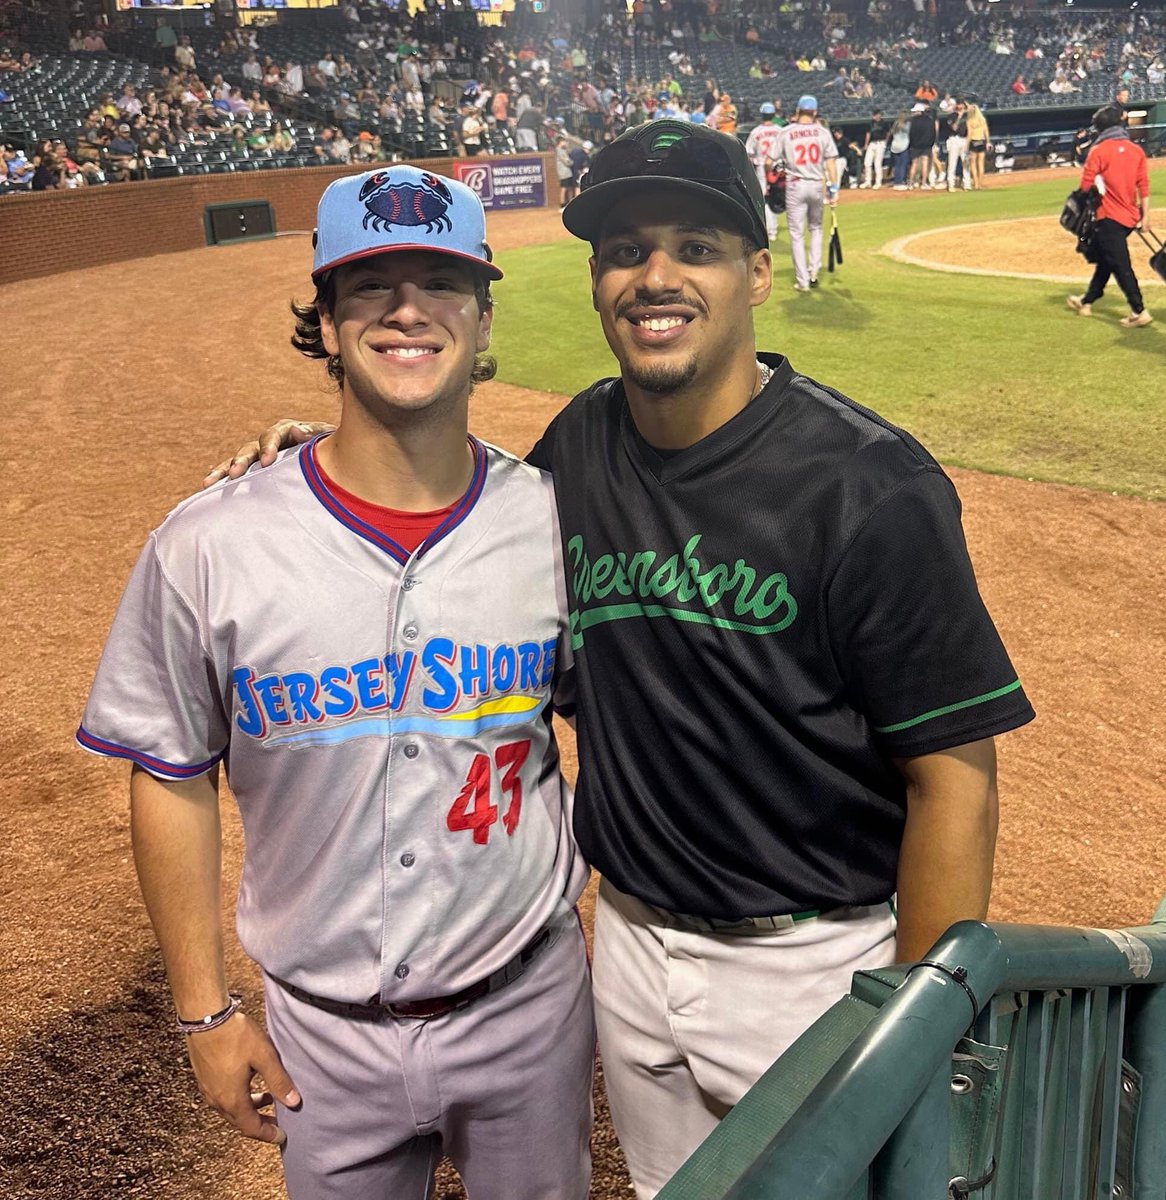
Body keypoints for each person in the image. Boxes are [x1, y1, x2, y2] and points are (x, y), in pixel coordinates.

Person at [211, 123, 1035, 1198]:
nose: (655, 277)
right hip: (631, 950)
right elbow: (474, 510)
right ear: (598, 280)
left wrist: (916, 1023)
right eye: (624, 249)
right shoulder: (580, 447)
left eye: (694, 246)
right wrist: (332, 453)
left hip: (815, 963)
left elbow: (953, 779)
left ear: (754, 272)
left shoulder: (869, 487)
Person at [77, 168, 595, 1199]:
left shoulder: (555, 520)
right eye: (371, 285)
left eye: (440, 283)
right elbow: (171, 775)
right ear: (322, 315)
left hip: (527, 1008)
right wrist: (204, 1013)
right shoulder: (212, 542)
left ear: (483, 318)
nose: (408, 311)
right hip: (319, 1039)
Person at [1068, 105, 1153, 328]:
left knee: (1119, 264)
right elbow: (1143, 185)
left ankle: (1139, 310)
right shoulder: (1136, 151)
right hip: (1130, 216)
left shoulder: (1098, 151)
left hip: (1108, 216)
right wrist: (1146, 217)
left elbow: (1085, 185)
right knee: (1107, 260)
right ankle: (1086, 301)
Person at [772, 95, 838, 291]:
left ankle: (802, 281)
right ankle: (814, 272)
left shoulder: (786, 132)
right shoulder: (822, 132)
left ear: (798, 111)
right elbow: (831, 163)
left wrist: (771, 177)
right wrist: (833, 189)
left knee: (796, 234)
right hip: (817, 185)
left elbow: (771, 161)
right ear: (815, 112)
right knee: (816, 229)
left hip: (795, 185)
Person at [743, 101, 783, 241]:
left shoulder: (756, 132)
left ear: (762, 115)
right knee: (779, 196)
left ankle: (771, 230)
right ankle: (775, 227)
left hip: (761, 168)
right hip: (778, 168)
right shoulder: (780, 130)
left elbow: (748, 153)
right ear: (773, 115)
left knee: (764, 198)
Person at [907, 101, 937, 189]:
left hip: (915, 145)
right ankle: (923, 183)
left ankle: (911, 183)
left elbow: (911, 134)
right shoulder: (930, 120)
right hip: (926, 145)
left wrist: (912, 144)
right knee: (925, 163)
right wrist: (930, 143)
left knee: (914, 164)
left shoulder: (913, 122)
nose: (914, 112)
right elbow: (933, 133)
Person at [944, 98, 970, 192]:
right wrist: (959, 116)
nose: (960, 106)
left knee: (966, 163)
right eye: (958, 104)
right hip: (954, 139)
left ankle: (967, 184)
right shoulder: (952, 116)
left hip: (964, 139)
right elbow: (954, 128)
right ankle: (951, 185)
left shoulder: (968, 115)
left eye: (962, 104)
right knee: (952, 163)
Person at [861, 108, 889, 189]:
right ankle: (868, 181)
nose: (875, 116)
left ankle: (878, 182)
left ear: (879, 115)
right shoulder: (870, 123)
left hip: (880, 143)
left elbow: (888, 133)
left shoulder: (884, 123)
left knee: (877, 163)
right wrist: (866, 144)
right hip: (872, 143)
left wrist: (885, 142)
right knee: (867, 162)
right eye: (874, 115)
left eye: (876, 114)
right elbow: (868, 134)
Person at [965, 103, 990, 190]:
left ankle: (975, 184)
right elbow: (986, 131)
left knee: (973, 164)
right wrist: (988, 142)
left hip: (973, 141)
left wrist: (966, 145)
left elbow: (969, 133)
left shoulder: (969, 121)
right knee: (980, 164)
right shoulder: (982, 119)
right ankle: (980, 183)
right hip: (982, 141)